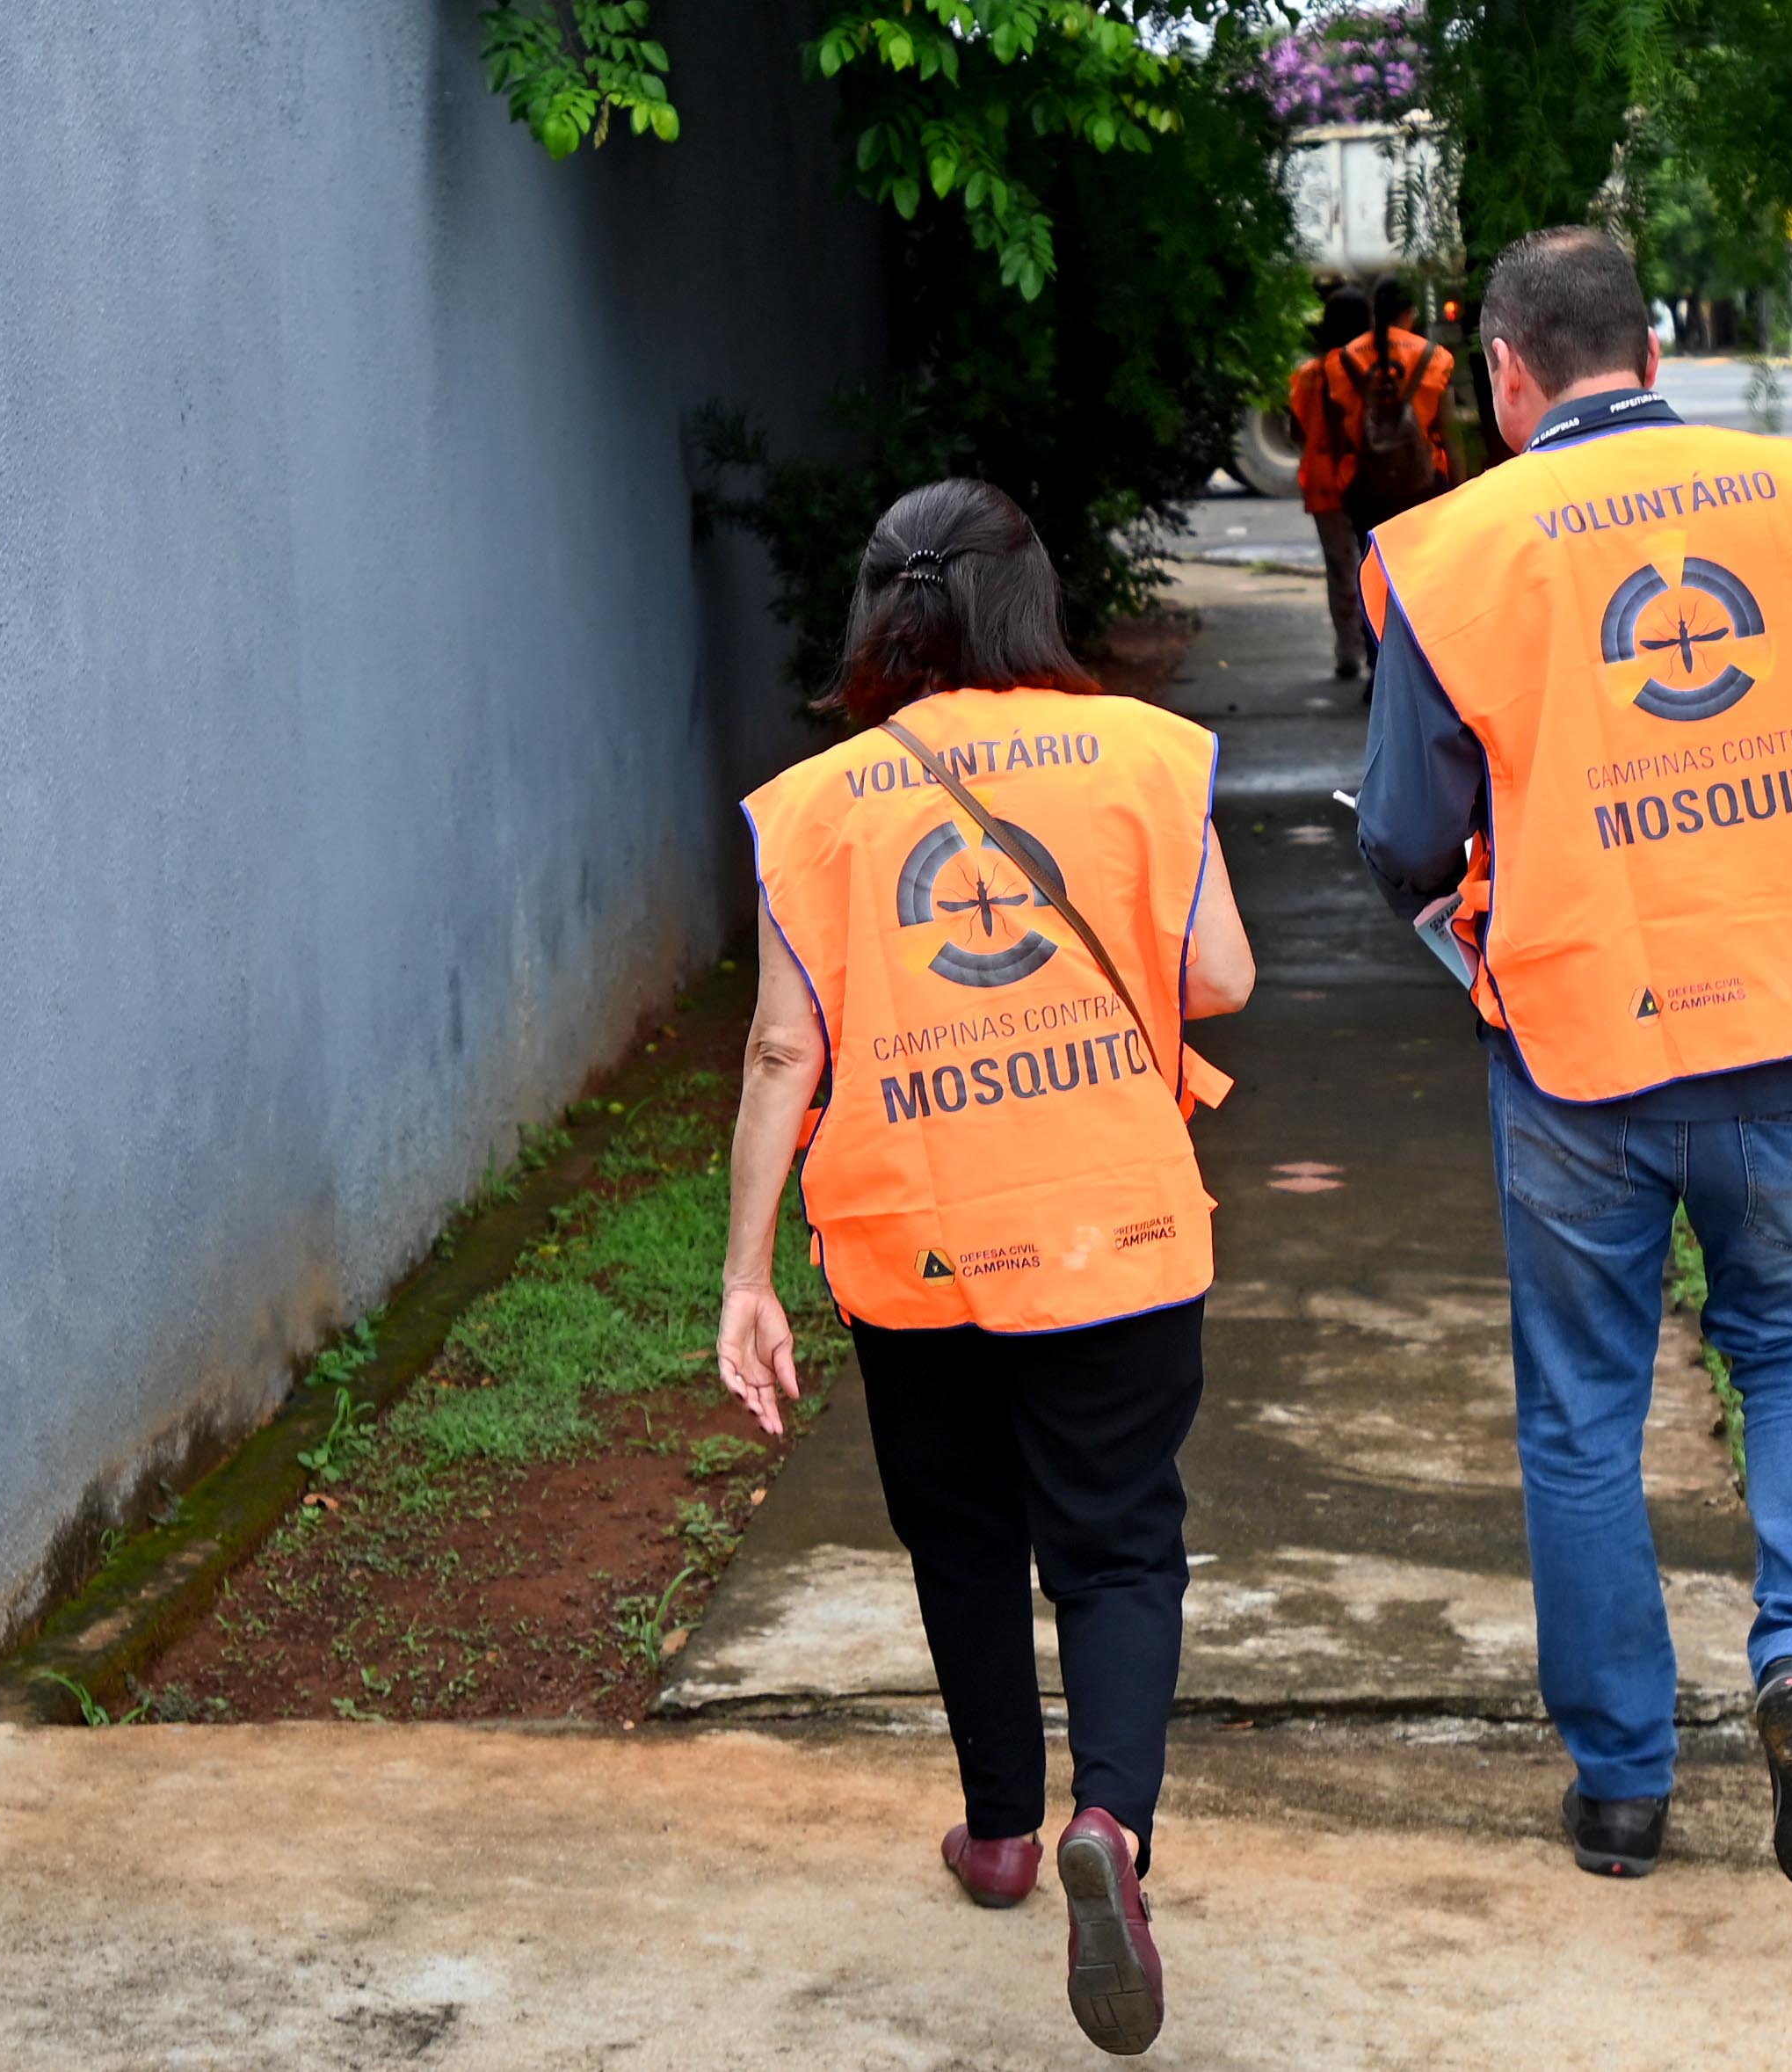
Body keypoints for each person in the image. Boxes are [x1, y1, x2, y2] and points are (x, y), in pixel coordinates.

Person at [1351, 228, 1792, 1892]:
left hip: (1580, 1051)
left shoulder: (1456, 549)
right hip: (1791, 1024)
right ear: (1651, 354)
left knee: (1584, 1410)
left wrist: (1469, 912)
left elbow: (1404, 838)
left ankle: (1622, 1786)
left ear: (1505, 373)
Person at [716, 478, 1252, 2056]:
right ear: (1030, 599)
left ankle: (1003, 1833)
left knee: (960, 1533)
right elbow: (1220, 974)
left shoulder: (816, 805)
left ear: (878, 613)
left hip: (917, 1235)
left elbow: (780, 1050)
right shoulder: (1146, 755)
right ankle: (1112, 1825)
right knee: (1117, 1541)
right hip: (1111, 1226)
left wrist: (747, 1275)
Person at [1317, 276, 1455, 547]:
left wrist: (1342, 485)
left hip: (1366, 487)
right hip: (1425, 481)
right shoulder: (1435, 357)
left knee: (1376, 566)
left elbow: (1336, 437)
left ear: (1374, 311)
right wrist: (1459, 484)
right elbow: (1449, 433)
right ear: (1409, 312)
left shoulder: (1341, 360)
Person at [1290, 285, 1376, 678]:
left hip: (1324, 483)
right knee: (1373, 567)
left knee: (1340, 569)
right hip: (1367, 480)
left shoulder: (1309, 375)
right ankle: (1377, 648)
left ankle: (1347, 650)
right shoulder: (1370, 370)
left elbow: (1297, 431)